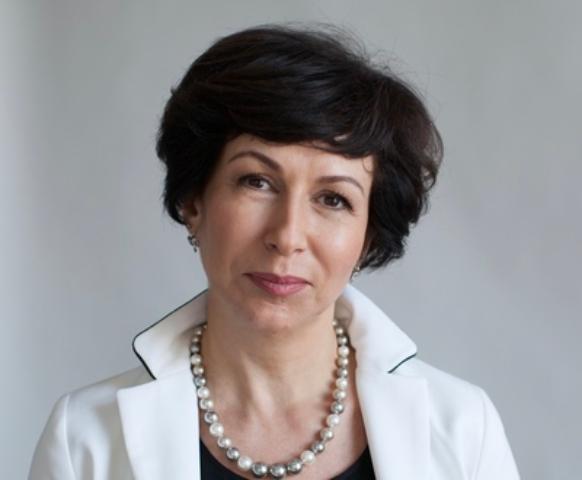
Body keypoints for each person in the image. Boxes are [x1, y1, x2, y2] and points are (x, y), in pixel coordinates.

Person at [29, 23, 520, 479]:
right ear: (194, 201)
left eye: (333, 199)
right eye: (257, 181)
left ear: (369, 234)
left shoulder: (464, 429)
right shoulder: (83, 439)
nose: (287, 236)